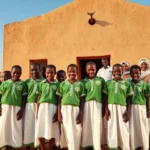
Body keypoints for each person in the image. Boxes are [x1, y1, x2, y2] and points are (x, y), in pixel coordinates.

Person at [103, 64, 134, 150]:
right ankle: (113, 146)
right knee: (112, 127)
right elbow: (105, 97)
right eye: (115, 71)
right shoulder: (108, 83)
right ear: (112, 72)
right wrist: (106, 109)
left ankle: (124, 146)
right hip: (111, 108)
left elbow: (129, 99)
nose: (117, 73)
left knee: (123, 127)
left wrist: (128, 111)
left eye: (119, 71)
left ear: (122, 72)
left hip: (122, 108)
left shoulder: (127, 84)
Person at [57, 64, 85, 150]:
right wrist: (59, 113)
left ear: (77, 72)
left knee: (76, 129)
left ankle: (75, 147)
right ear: (67, 72)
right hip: (64, 109)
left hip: (76, 109)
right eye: (70, 71)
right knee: (66, 129)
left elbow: (82, 100)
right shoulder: (62, 84)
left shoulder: (80, 84)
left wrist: (81, 113)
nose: (72, 73)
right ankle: (67, 147)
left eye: (74, 71)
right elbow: (59, 100)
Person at [0, 65, 27, 149]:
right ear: (11, 72)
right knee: (4, 126)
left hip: (17, 108)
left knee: (15, 126)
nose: (16, 74)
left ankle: (15, 145)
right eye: (14, 72)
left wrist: (22, 109)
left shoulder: (23, 84)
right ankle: (4, 144)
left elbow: (24, 97)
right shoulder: (5, 83)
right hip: (5, 107)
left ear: (21, 74)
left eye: (18, 73)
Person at [81, 61, 105, 150]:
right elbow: (82, 98)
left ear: (96, 70)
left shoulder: (101, 80)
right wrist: (81, 110)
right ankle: (87, 144)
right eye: (89, 70)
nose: (91, 71)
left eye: (93, 69)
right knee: (87, 125)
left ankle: (97, 146)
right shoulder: (83, 82)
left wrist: (104, 108)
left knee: (97, 125)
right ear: (86, 70)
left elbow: (104, 95)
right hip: (87, 105)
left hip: (98, 104)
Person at [35, 64, 60, 150]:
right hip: (42, 108)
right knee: (40, 128)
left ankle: (50, 147)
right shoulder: (41, 84)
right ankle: (42, 148)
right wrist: (37, 111)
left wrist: (57, 112)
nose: (50, 74)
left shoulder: (58, 84)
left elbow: (59, 99)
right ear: (45, 73)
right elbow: (38, 98)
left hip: (53, 108)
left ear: (55, 73)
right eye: (48, 73)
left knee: (52, 129)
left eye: (52, 73)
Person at [129, 65, 150, 150]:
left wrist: (148, 109)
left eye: (137, 73)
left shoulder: (144, 85)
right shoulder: (127, 84)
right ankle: (134, 146)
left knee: (143, 127)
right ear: (130, 74)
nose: (135, 74)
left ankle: (144, 145)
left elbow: (148, 97)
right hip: (131, 108)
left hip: (142, 108)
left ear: (140, 73)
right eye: (133, 73)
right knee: (132, 127)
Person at [24, 63, 44, 149]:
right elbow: (24, 96)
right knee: (28, 125)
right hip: (29, 106)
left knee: (38, 125)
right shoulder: (27, 82)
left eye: (36, 69)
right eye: (32, 70)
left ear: (40, 70)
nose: (34, 71)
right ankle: (28, 145)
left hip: (40, 105)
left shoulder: (44, 81)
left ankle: (38, 145)